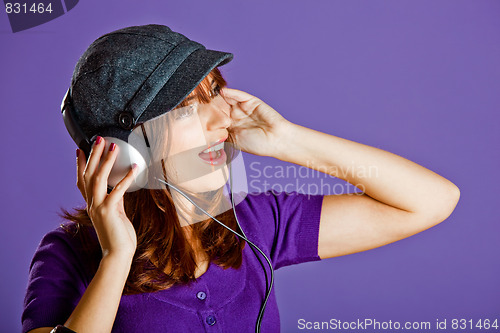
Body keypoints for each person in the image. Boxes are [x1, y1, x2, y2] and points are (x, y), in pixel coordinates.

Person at [22, 24, 460, 333]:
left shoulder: (254, 222)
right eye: (187, 109)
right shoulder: (70, 255)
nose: (223, 120)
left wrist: (286, 140)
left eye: (214, 91)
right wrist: (116, 258)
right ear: (124, 152)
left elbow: (432, 200)